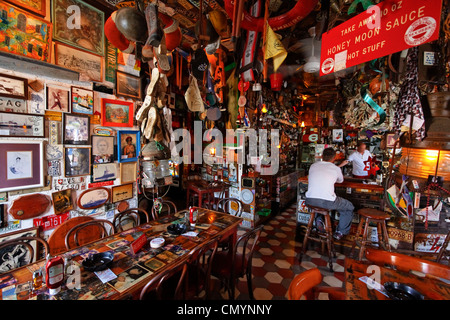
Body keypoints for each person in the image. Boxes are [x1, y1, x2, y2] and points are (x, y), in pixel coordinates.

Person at [305, 147, 354, 240]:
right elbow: (340, 181)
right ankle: (340, 232)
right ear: (334, 158)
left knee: (318, 205)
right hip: (327, 202)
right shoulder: (335, 168)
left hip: (309, 200)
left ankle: (319, 219)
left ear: (322, 156)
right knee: (349, 207)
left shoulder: (313, 165)